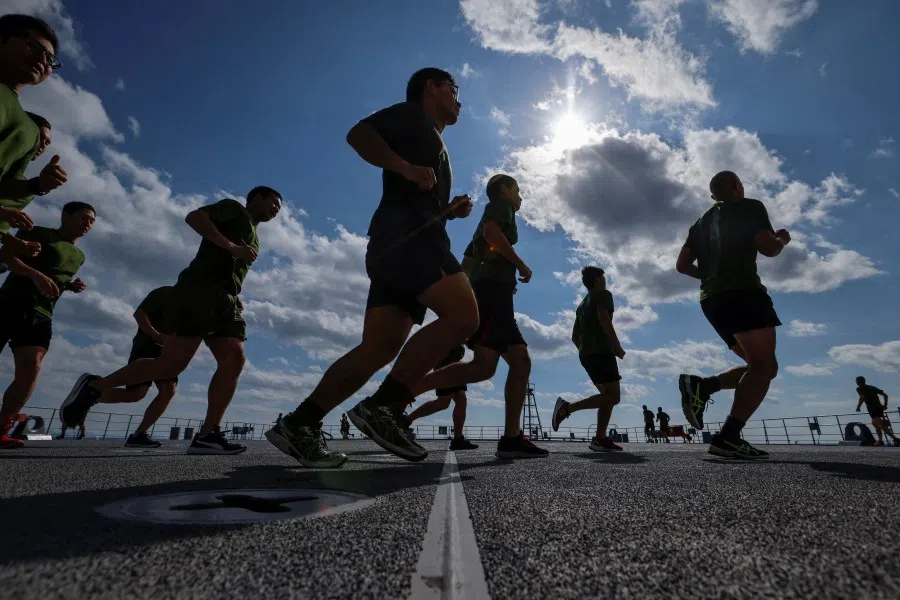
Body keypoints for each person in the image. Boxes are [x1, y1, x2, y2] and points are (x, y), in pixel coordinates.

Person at [268, 67, 476, 467]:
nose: (459, 99)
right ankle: (385, 407)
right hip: (410, 242)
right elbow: (359, 135)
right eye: (454, 89)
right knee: (465, 316)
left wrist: (448, 211)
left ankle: (300, 423)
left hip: (399, 244)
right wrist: (403, 167)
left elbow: (416, 196)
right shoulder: (412, 115)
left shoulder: (435, 142)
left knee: (378, 348)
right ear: (431, 88)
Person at [60, 187, 283, 455]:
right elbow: (194, 217)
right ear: (257, 197)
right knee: (171, 364)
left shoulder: (255, 235)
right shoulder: (234, 209)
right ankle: (96, 387)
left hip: (225, 299)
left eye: (279, 208)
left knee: (234, 359)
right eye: (273, 203)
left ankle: (208, 434)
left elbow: (231, 266)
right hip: (200, 290)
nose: (276, 210)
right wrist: (232, 247)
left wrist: (234, 293)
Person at [405, 174, 547, 459]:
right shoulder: (500, 206)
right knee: (485, 366)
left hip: (493, 293)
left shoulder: (485, 219)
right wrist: (520, 265)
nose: (520, 197)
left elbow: (468, 263)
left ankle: (511, 437)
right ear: (505, 190)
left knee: (517, 361)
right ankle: (402, 391)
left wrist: (475, 292)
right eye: (517, 191)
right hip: (493, 293)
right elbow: (492, 235)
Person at [675, 171, 790, 459]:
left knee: (762, 367)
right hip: (743, 293)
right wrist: (781, 240)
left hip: (712, 300)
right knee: (763, 367)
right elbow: (768, 248)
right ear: (738, 185)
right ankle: (727, 437)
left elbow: (682, 265)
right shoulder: (750, 206)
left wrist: (711, 276)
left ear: (714, 196)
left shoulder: (700, 223)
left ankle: (704, 386)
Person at [0, 201, 94, 449]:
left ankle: (1, 428)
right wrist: (35, 275)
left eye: (92, 221)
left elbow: (56, 279)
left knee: (31, 370)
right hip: (9, 303)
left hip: (41, 314)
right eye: (84, 218)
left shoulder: (79, 256)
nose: (88, 224)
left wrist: (70, 286)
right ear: (65, 216)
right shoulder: (39, 232)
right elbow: (6, 257)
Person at [75, 286, 179, 449]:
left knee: (168, 390)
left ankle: (140, 434)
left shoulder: (195, 305)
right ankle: (91, 393)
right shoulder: (166, 293)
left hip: (168, 351)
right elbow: (139, 314)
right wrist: (156, 335)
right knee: (136, 394)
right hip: (147, 345)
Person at [0, 15, 67, 261]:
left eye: (50, 59)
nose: (42, 59)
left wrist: (37, 185)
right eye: (34, 46)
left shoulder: (30, 131)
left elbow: (4, 185)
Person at [551, 266, 626, 452]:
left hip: (587, 355)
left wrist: (586, 351)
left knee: (606, 397)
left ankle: (600, 438)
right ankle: (568, 408)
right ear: (598, 279)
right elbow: (603, 318)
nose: (606, 280)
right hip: (601, 352)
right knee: (614, 397)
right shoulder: (603, 294)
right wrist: (616, 345)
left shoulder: (582, 305)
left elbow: (574, 337)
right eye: (604, 277)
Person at [0, 112, 52, 275]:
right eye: (39, 138)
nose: (42, 145)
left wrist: (18, 244)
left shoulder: (26, 189)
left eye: (47, 143)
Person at [405, 345, 478, 450]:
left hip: (455, 365)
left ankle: (458, 438)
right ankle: (407, 419)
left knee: (460, 399)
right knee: (443, 403)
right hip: (446, 367)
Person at [855, 377, 898, 447]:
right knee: (875, 424)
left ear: (858, 382)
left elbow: (862, 398)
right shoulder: (872, 388)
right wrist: (885, 405)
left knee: (880, 424)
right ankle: (880, 441)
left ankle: (895, 439)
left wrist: (858, 406)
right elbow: (885, 395)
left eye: (856, 381)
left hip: (877, 408)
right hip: (872, 409)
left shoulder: (859, 389)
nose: (856, 383)